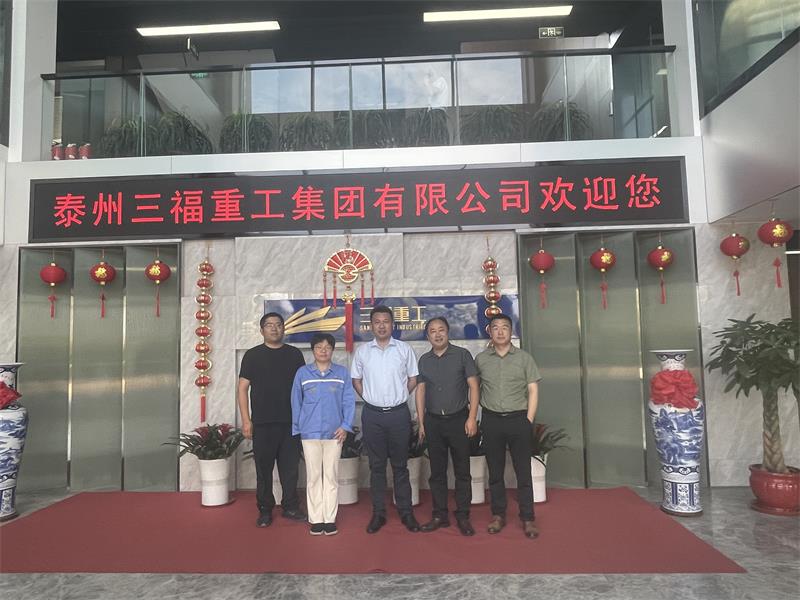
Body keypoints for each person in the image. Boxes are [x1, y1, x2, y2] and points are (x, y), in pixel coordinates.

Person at [351, 305, 420, 533]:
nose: (381, 326)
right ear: (371, 325)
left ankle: (406, 512)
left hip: (399, 415)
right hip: (372, 416)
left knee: (401, 466)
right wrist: (371, 398)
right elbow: (356, 380)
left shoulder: (404, 349)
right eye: (377, 322)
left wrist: (399, 397)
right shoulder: (363, 352)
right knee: (377, 466)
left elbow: (413, 379)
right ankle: (378, 514)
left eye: (386, 321)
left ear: (393, 324)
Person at [475, 313, 542, 539]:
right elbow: (474, 389)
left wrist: (528, 420)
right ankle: (498, 515)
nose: (500, 331)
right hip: (491, 420)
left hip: (518, 420)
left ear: (511, 331)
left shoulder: (524, 358)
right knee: (495, 472)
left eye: (505, 327)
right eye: (496, 327)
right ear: (490, 332)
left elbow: (533, 390)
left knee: (523, 472)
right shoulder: (481, 359)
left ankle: (528, 518)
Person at [238, 312, 307, 527]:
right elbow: (242, 389)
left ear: (284, 328)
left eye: (278, 325)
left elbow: (303, 388)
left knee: (290, 470)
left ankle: (290, 506)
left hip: (290, 423)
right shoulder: (252, 355)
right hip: (262, 424)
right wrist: (246, 421)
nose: (274, 328)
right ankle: (265, 510)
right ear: (262, 330)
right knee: (263, 471)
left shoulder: (294, 355)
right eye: (269, 325)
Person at [415, 316, 479, 536]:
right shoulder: (424, 360)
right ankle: (439, 515)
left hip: (459, 420)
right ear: (427, 336)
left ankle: (463, 515)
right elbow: (420, 390)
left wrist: (472, 418)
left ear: (448, 332)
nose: (437, 334)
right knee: (437, 472)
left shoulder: (462, 355)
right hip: (433, 422)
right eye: (432, 331)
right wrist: (421, 422)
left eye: (441, 329)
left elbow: (474, 386)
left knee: (462, 471)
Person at [291, 333, 356, 536]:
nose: (323, 350)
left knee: (331, 476)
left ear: (332, 350)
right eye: (319, 347)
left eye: (327, 347)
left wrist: (345, 426)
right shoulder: (303, 373)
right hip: (309, 433)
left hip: (335, 433)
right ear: (313, 350)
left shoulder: (341, 373)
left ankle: (329, 518)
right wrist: (298, 428)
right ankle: (316, 518)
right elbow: (296, 402)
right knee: (313, 477)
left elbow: (348, 401)